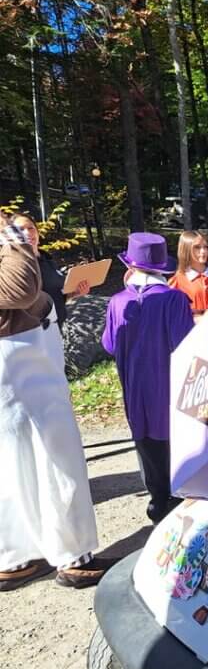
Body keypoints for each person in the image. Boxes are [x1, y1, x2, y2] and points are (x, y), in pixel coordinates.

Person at [0, 222, 112, 590]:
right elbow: (20, 289)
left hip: (21, 365)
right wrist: (13, 238)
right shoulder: (10, 241)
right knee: (57, 462)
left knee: (13, 465)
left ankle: (15, 557)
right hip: (23, 370)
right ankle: (74, 557)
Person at [102, 233, 194, 523]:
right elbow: (186, 344)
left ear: (131, 266)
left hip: (134, 385)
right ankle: (178, 500)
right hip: (168, 384)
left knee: (145, 441)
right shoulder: (174, 299)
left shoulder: (117, 302)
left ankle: (157, 499)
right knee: (173, 440)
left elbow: (109, 344)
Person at [11, 213, 89, 333]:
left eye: (31, 228)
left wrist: (74, 293)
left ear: (37, 233)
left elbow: (55, 294)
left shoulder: (47, 259)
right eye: (20, 229)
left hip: (56, 327)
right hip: (31, 333)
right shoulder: (12, 265)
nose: (27, 233)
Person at [168, 230, 208, 315]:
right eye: (197, 247)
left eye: (205, 247)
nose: (203, 251)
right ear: (186, 250)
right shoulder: (177, 282)